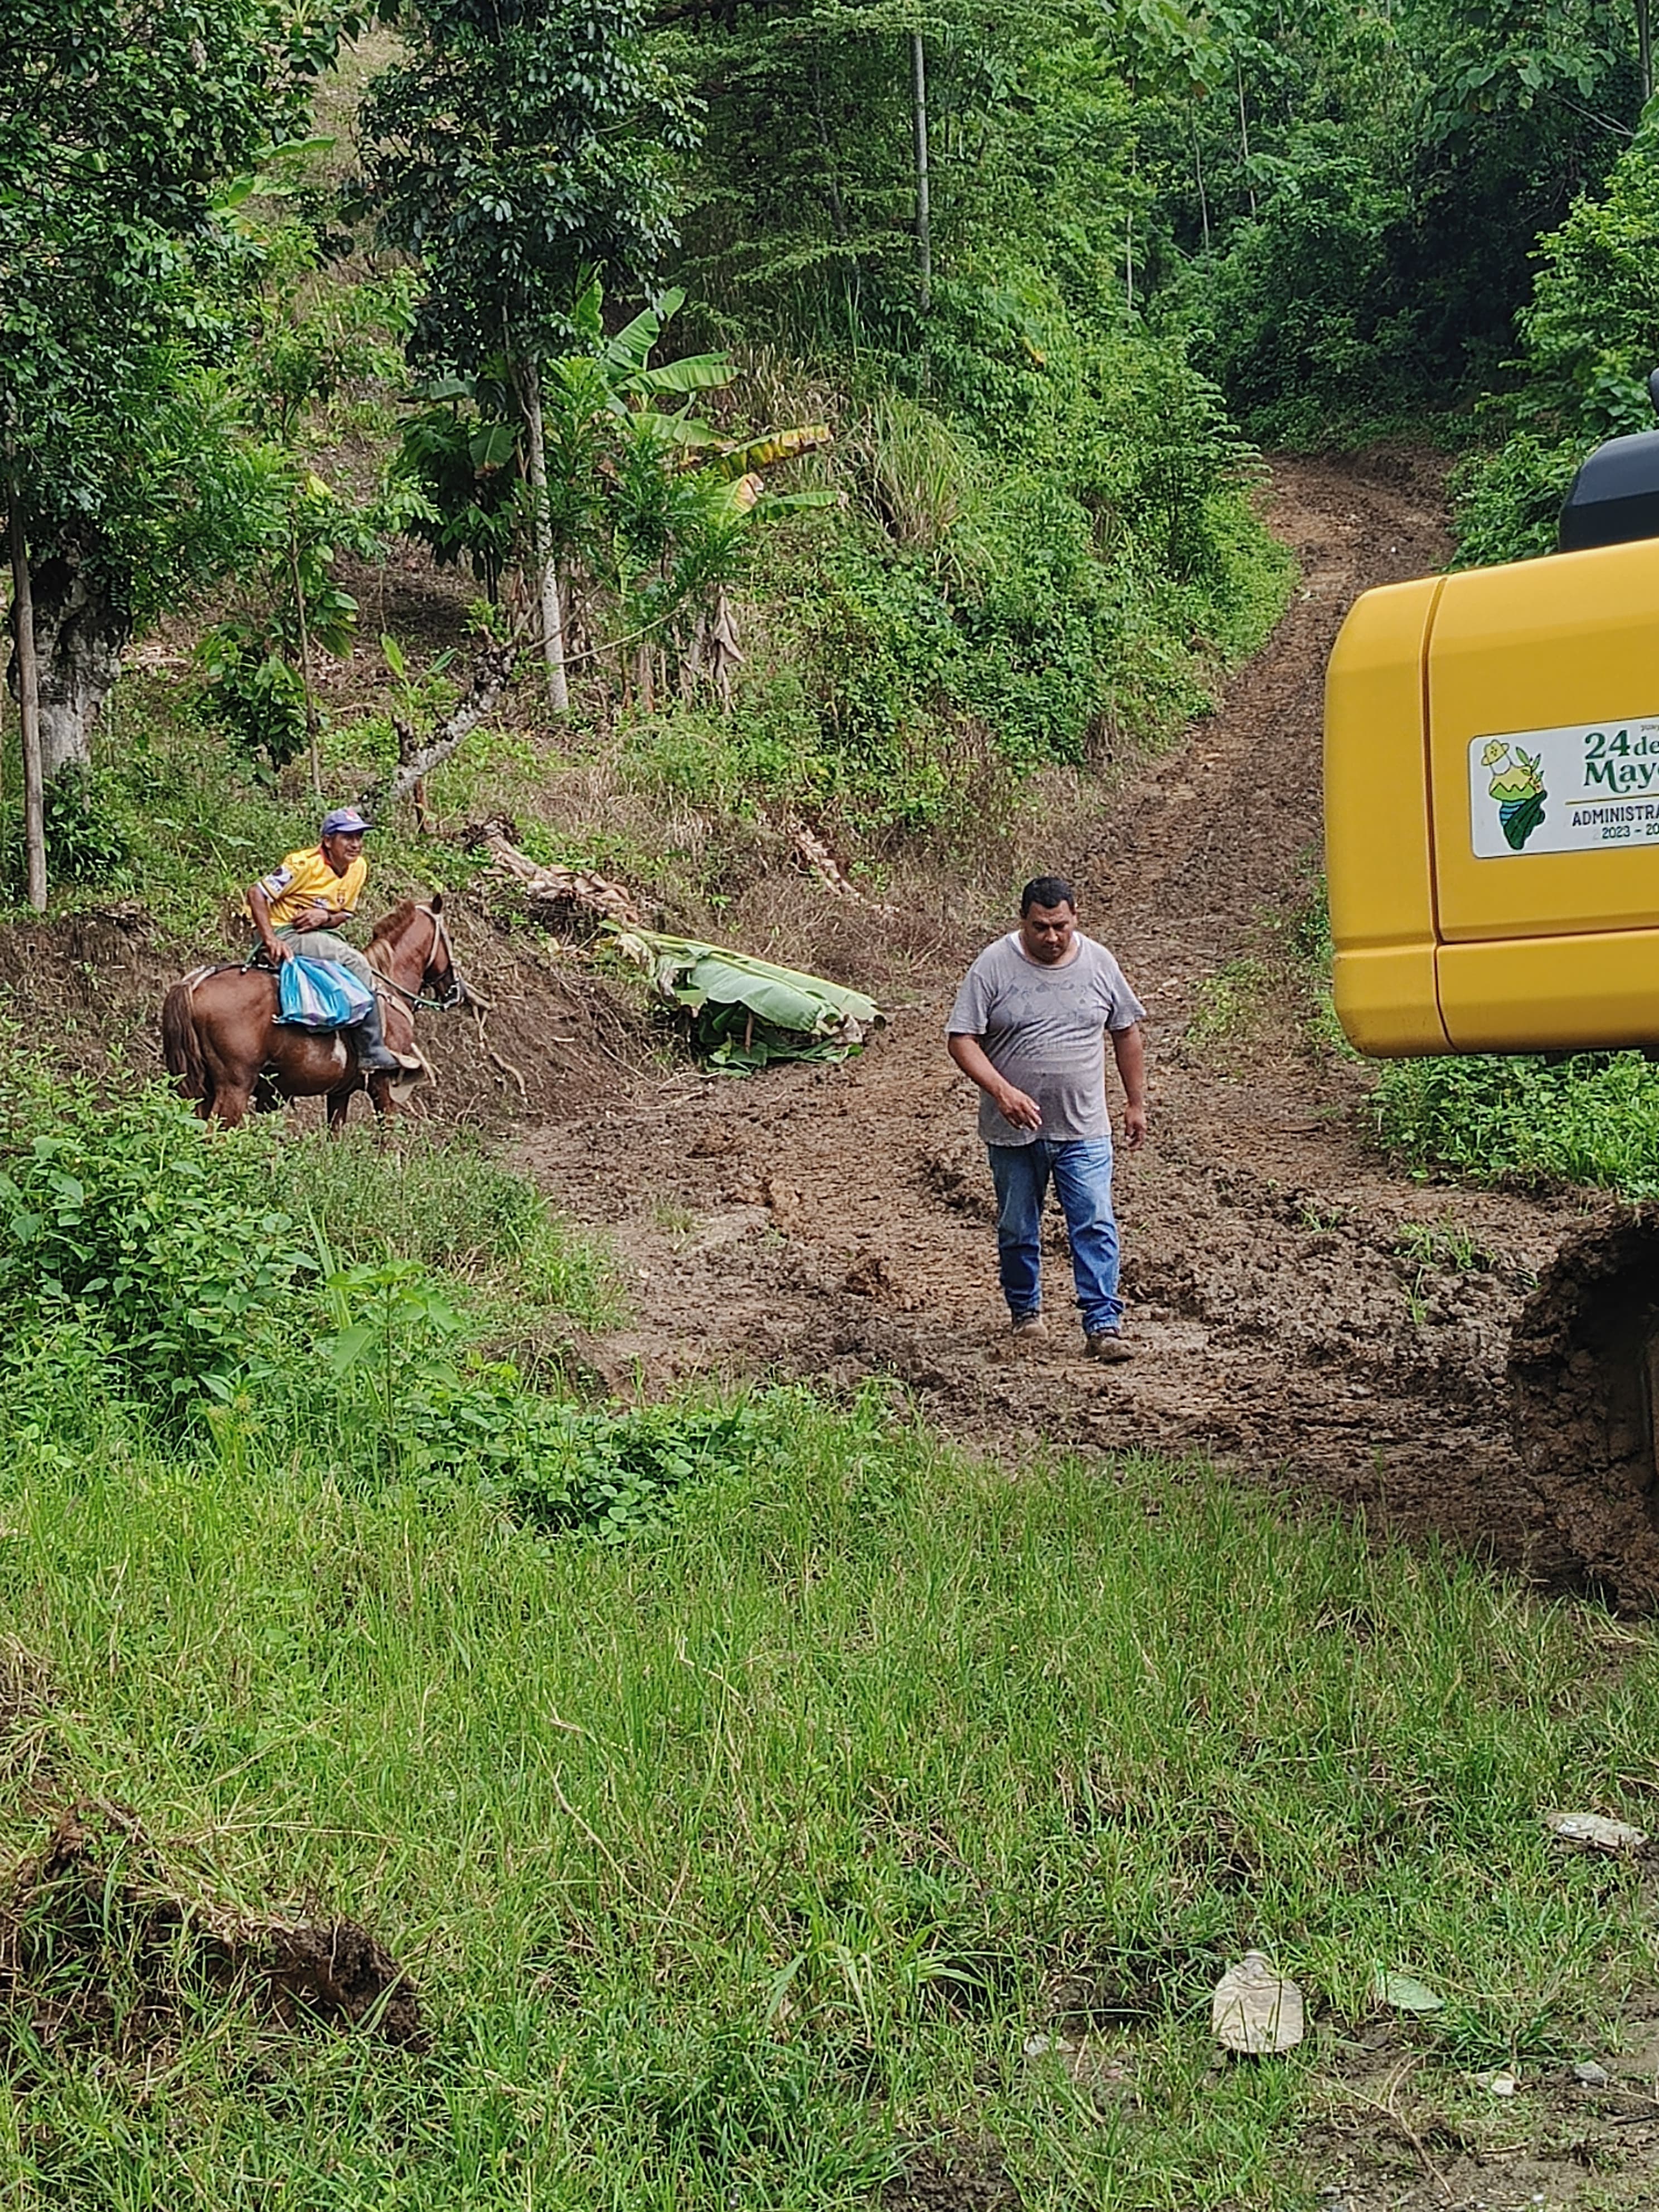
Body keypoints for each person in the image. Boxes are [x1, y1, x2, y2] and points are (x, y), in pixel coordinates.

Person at [946, 875, 1148, 1360]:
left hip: (1084, 1126)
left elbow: (1126, 1032)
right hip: (1013, 1131)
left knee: (1094, 1222)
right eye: (1040, 927)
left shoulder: (1099, 963)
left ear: (1075, 917)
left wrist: (1135, 1102)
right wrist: (1001, 1091)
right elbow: (961, 1039)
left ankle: (1103, 1325)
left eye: (1061, 926)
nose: (1052, 937)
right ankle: (1025, 1312)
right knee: (1018, 1226)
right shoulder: (994, 965)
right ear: (1023, 921)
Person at [246, 807, 401, 1074]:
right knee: (357, 962)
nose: (356, 844)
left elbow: (344, 914)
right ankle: (371, 1048)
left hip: (316, 932)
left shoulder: (358, 868)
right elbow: (256, 894)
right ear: (328, 841)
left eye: (359, 837)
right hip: (284, 930)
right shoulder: (302, 864)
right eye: (347, 837)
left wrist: (325, 917)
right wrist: (270, 939)